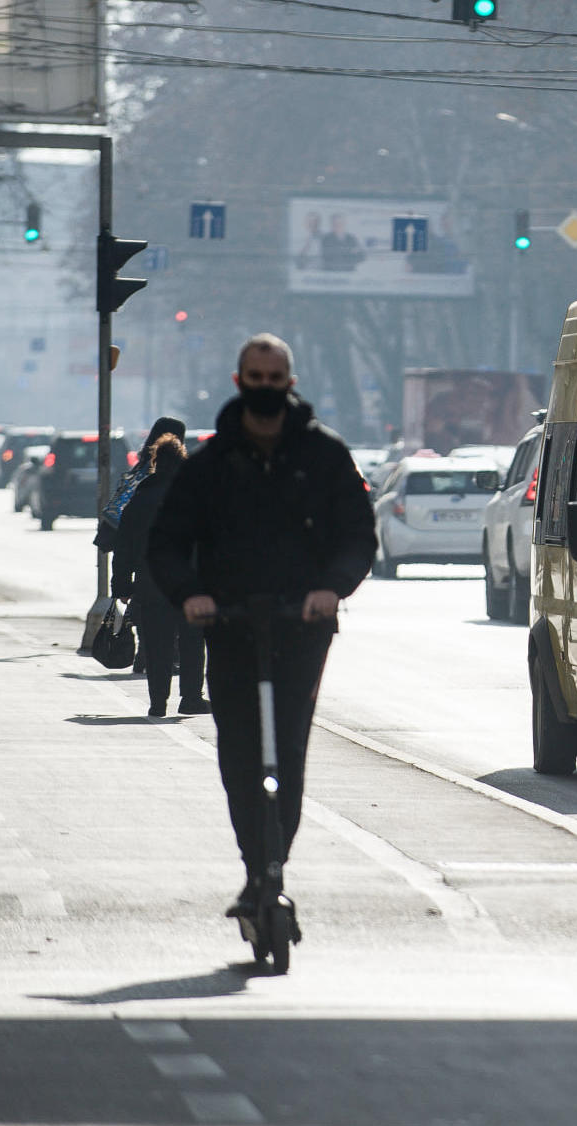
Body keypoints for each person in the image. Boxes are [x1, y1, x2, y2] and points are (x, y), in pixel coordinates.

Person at [147, 334, 376, 920]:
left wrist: (333, 588)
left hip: (302, 627)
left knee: (288, 752)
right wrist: (190, 595)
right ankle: (255, 867)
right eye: (256, 377)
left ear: (291, 383)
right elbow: (168, 543)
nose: (266, 389)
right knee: (241, 755)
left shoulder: (324, 455)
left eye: (276, 379)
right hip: (228, 626)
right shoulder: (210, 463)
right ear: (238, 381)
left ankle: (275, 867)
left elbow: (357, 533)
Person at [113, 433, 207, 718]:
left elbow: (124, 546)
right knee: (192, 643)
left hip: (151, 584)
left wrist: (121, 584)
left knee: (157, 646)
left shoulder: (139, 500)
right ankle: (191, 697)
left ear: (155, 463)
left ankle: (158, 702)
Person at [98, 417, 186, 679]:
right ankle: (156, 656)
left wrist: (121, 580)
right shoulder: (161, 471)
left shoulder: (140, 466)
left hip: (135, 550)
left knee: (145, 604)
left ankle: (145, 655)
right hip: (161, 555)